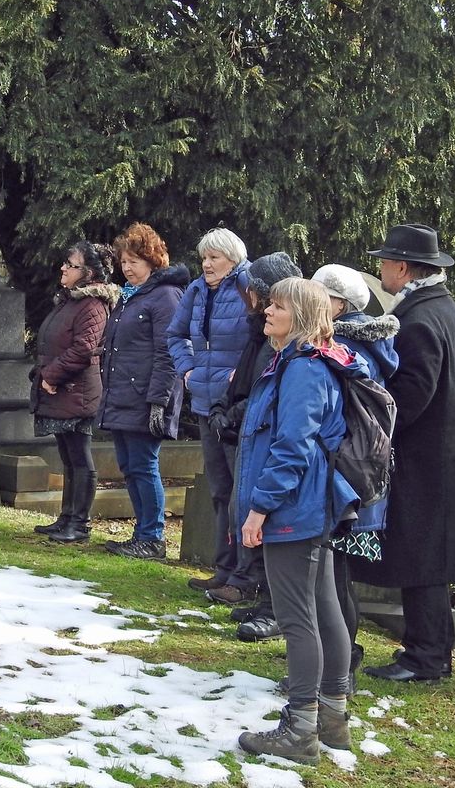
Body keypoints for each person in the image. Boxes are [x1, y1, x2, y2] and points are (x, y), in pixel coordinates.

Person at [235, 277, 361, 764]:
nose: (268, 311)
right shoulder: (307, 361)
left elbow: (291, 448)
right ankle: (333, 718)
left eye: (279, 307)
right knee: (324, 607)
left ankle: (301, 729)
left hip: (294, 509)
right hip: (312, 506)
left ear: (303, 317)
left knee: (297, 619)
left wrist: (260, 508)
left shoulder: (304, 370)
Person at [355, 223, 455, 683]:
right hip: (439, 456)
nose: (381, 269)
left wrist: (376, 425)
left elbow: (412, 393)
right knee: (427, 557)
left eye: (385, 262)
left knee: (424, 561)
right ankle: (427, 654)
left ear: (403, 268)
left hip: (424, 458)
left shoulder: (419, 318)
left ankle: (426, 659)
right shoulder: (441, 308)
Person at [201, 252, 303, 642]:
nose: (253, 300)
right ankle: (260, 595)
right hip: (244, 427)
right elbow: (248, 376)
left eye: (266, 297)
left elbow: (271, 391)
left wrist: (236, 411)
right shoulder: (258, 330)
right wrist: (224, 405)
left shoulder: (295, 351)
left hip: (262, 436)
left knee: (268, 523)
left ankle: (272, 607)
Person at [311, 263, 399, 690]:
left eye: (319, 294)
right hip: (359, 476)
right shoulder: (365, 341)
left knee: (336, 573)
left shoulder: (345, 346)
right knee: (336, 572)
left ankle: (341, 660)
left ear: (339, 304)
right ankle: (340, 652)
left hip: (346, 475)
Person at [167, 228, 254, 603]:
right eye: (204, 257)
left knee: (242, 492)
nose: (206, 264)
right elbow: (174, 335)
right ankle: (223, 569)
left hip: (238, 407)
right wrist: (187, 370)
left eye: (214, 257)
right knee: (220, 490)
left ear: (233, 260)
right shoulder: (197, 290)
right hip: (204, 402)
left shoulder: (248, 284)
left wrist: (244, 374)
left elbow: (263, 336)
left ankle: (244, 577)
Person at [94, 222, 189, 556]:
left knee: (144, 466)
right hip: (122, 396)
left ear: (153, 259)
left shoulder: (165, 296)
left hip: (146, 398)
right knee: (130, 467)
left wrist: (158, 403)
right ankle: (143, 534)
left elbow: (168, 352)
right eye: (124, 261)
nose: (127, 267)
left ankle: (153, 537)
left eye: (134, 260)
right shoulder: (131, 297)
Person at [31, 242, 119, 539]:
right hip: (63, 388)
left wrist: (51, 375)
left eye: (70, 264)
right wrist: (43, 373)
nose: (63, 268)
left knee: (80, 458)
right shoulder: (70, 301)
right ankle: (66, 517)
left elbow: (84, 349)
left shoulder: (92, 305)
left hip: (78, 390)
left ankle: (79, 524)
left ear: (89, 273)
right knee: (68, 456)